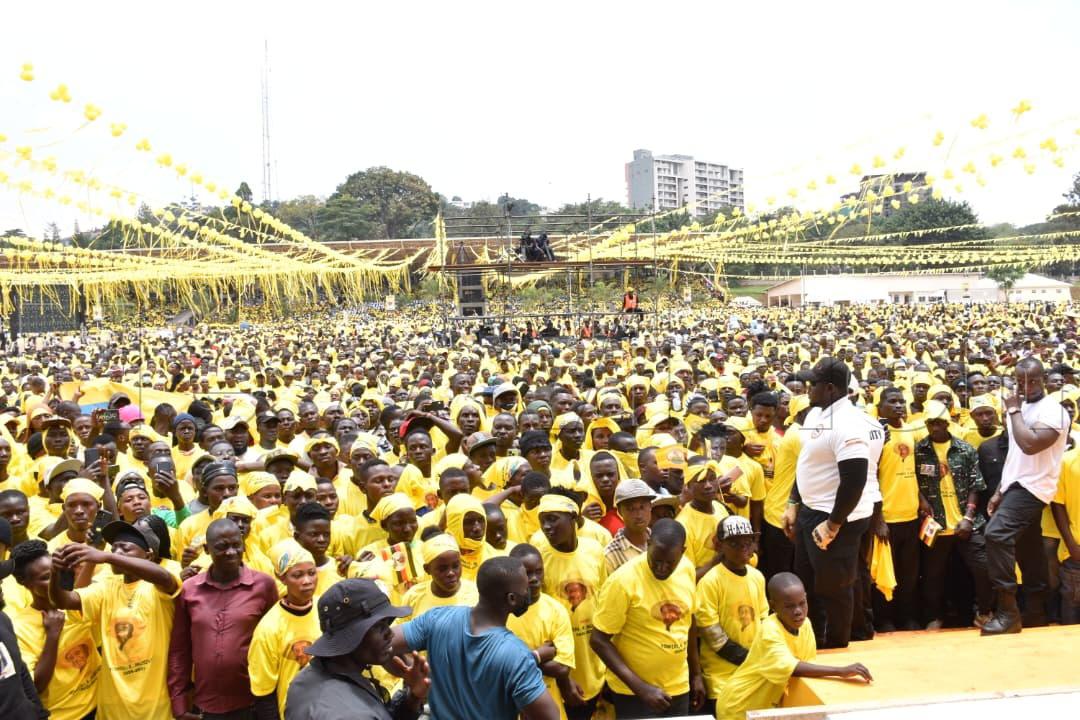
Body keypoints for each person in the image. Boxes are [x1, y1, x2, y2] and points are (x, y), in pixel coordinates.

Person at [783, 357, 884, 649]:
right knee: (809, 582)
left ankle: (837, 646)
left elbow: (855, 481)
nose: (806, 390)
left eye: (812, 385)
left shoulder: (849, 425)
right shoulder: (816, 415)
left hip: (837, 517)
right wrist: (793, 503)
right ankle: (814, 642)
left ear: (829, 388)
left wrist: (833, 525)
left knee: (834, 587)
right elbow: (807, 465)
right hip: (811, 511)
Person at [392, 556, 561, 719]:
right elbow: (550, 716)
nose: (528, 592)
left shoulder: (437, 619)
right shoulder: (517, 656)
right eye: (525, 589)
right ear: (511, 599)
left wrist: (412, 676)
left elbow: (386, 643)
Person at [49, 518, 181, 720]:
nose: (117, 552)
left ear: (149, 555)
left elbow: (165, 579)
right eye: (115, 548)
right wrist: (55, 572)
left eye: (125, 549)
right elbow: (65, 600)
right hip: (113, 709)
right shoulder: (106, 587)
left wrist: (108, 557)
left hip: (156, 706)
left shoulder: (157, 585)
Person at [983, 358, 1069, 635]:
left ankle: (1008, 613)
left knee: (996, 535)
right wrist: (1000, 490)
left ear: (1042, 379)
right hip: (1016, 485)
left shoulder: (1052, 410)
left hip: (1035, 487)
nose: (1026, 386)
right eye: (1020, 381)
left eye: (1032, 380)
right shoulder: (1021, 409)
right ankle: (1035, 613)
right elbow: (1015, 455)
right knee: (1028, 550)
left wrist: (1014, 410)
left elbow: (1029, 445)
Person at [715, 573, 872, 720]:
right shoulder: (770, 630)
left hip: (767, 708)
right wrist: (840, 671)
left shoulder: (805, 625)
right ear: (773, 606)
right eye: (789, 606)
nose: (798, 611)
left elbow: (805, 669)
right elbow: (793, 668)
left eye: (802, 603)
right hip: (739, 707)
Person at [590, 518, 703, 717]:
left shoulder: (687, 569)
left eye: (670, 563)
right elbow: (599, 640)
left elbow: (689, 623)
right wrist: (641, 689)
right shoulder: (622, 581)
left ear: (683, 552)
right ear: (648, 544)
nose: (661, 568)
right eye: (656, 560)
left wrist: (696, 675)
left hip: (679, 686)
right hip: (634, 694)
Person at [169, 517, 279, 720]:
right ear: (206, 549)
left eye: (236, 545)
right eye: (222, 546)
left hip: (254, 703)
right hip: (205, 707)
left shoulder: (264, 586)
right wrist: (179, 702)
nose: (230, 552)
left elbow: (275, 645)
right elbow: (179, 650)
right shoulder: (190, 590)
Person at [285, 578, 430, 720]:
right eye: (378, 627)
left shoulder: (305, 679)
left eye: (387, 624)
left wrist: (413, 698)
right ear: (351, 636)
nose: (390, 633)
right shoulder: (352, 714)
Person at [914, 400, 991, 629]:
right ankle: (934, 617)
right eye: (930, 423)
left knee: (983, 568)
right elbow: (913, 481)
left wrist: (968, 518)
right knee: (932, 576)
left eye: (939, 422)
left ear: (947, 423)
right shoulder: (919, 451)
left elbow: (975, 485)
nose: (934, 427)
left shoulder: (965, 449)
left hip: (966, 523)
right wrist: (922, 500)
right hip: (935, 525)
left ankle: (984, 612)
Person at [10, 539, 103, 720]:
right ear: (24, 582)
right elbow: (34, 687)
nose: (56, 580)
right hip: (64, 716)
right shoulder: (19, 627)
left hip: (101, 706)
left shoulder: (76, 604)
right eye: (46, 577)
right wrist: (52, 635)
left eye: (57, 571)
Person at [694, 516, 767, 715]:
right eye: (734, 543)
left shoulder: (757, 577)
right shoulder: (710, 582)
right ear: (720, 546)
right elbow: (714, 637)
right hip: (722, 677)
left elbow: (764, 620)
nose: (743, 548)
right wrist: (752, 659)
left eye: (748, 542)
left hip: (753, 671)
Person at [249, 540, 321, 720]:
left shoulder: (325, 609)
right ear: (281, 577)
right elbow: (263, 694)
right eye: (297, 575)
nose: (307, 581)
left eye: (312, 573)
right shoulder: (269, 629)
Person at [506, 543, 579, 719]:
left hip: (548, 706)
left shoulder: (555, 611)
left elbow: (561, 668)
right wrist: (540, 655)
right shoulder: (502, 611)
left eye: (538, 571)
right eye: (527, 573)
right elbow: (498, 666)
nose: (534, 578)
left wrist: (517, 662)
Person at [604, 479, 655, 573]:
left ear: (650, 506)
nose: (639, 515)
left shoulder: (659, 540)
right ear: (619, 511)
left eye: (642, 507)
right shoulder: (610, 556)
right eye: (631, 509)